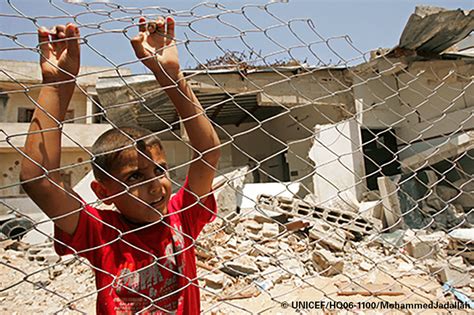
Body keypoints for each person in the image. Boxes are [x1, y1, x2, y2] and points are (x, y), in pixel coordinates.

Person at [20, 16, 221, 314]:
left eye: (160, 170)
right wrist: (56, 85)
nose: (155, 184)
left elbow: (208, 152)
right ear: (103, 192)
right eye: (135, 177)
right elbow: (39, 181)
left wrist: (170, 75)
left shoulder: (182, 217)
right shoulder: (100, 233)